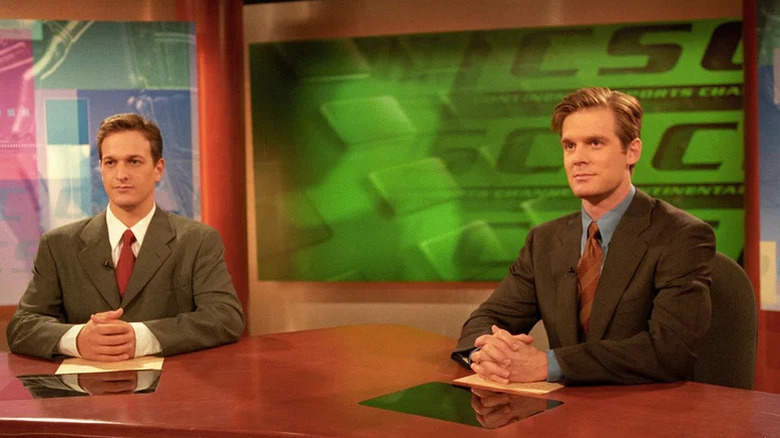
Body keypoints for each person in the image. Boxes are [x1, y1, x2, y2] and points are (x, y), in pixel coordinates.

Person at [452, 87, 716, 385]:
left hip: (645, 413)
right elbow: (487, 318)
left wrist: (548, 365)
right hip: (565, 414)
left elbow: (670, 350)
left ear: (632, 151)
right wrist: (487, 353)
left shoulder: (681, 236)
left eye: (594, 143)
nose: (578, 158)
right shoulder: (545, 240)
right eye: (569, 146)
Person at [7, 113, 245, 362]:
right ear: (100, 169)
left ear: (158, 169)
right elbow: (22, 327)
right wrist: (77, 340)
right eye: (110, 162)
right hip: (86, 396)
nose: (121, 174)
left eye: (133, 161)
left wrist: (141, 337)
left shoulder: (197, 241)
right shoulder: (58, 245)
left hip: (172, 392)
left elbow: (225, 317)